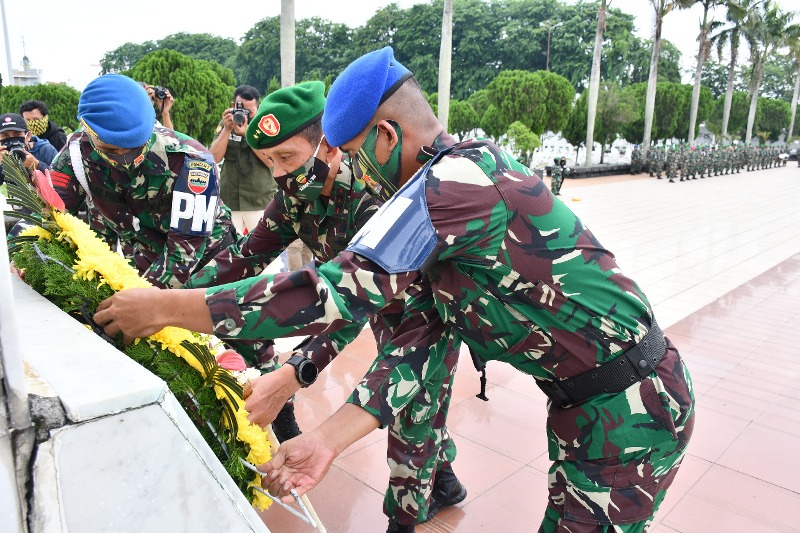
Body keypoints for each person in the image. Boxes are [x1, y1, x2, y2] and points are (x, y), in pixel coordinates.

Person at [94, 47, 695, 532]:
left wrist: (167, 308)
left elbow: (330, 295)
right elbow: (421, 336)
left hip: (629, 405)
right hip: (586, 403)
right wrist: (326, 441)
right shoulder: (444, 192)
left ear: (385, 134)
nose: (357, 170)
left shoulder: (446, 189)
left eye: (357, 153)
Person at [185, 81, 465, 532]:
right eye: (268, 162)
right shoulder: (295, 199)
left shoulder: (374, 202)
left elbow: (344, 306)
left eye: (288, 159)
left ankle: (406, 518)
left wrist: (294, 372)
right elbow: (243, 258)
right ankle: (446, 483)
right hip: (378, 311)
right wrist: (171, 299)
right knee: (421, 410)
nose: (278, 175)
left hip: (425, 320)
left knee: (410, 423)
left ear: (329, 147)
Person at [48, 73, 236, 289]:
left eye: (135, 146)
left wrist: (141, 300)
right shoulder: (75, 154)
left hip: (209, 265)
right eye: (109, 149)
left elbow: (185, 251)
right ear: (88, 132)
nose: (123, 158)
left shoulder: (190, 161)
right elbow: (48, 213)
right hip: (141, 263)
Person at [209, 85, 278, 236]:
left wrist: (248, 134)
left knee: (264, 250)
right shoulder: (226, 124)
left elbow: (270, 161)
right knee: (228, 248)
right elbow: (213, 158)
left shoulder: (265, 126)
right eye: (241, 109)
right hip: (230, 198)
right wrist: (227, 129)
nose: (244, 115)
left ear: (257, 108)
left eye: (250, 111)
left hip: (258, 199)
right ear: (233, 105)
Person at [0, 112, 58, 186]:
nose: (13, 141)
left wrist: (37, 165)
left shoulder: (45, 150)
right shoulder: (1, 155)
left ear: (28, 136)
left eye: (17, 134)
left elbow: (62, 180)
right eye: (5, 136)